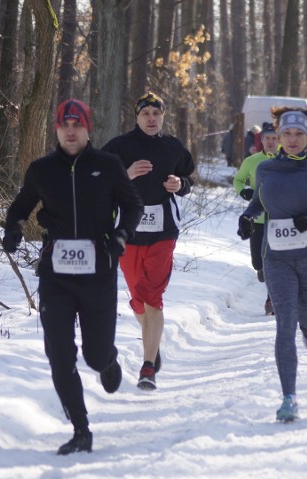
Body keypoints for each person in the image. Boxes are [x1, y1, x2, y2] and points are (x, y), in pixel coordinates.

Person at [2, 99, 143, 455]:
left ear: (87, 129)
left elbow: (133, 205)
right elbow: (20, 208)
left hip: (99, 271)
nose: (70, 131)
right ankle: (81, 429)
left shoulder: (108, 166)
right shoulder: (41, 170)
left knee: (94, 356)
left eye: (77, 125)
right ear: (56, 130)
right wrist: (14, 229)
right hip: (56, 275)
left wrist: (122, 236)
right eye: (64, 125)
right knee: (60, 355)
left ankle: (107, 361)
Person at [237, 107, 307, 422]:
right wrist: (246, 217)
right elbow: (259, 200)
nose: (293, 139)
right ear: (278, 137)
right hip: (277, 257)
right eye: (287, 134)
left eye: (299, 133)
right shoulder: (267, 170)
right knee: (285, 324)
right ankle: (289, 398)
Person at [101, 92, 195, 391]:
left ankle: (148, 366)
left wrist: (180, 185)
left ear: (163, 116)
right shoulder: (118, 147)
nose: (152, 118)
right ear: (137, 117)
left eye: (157, 113)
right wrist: (124, 175)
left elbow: (188, 180)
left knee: (151, 296)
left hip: (163, 233)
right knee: (138, 298)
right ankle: (152, 347)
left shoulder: (173, 147)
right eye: (146, 114)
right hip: (128, 233)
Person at [233, 122, 279, 315]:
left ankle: (272, 299)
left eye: (274, 138)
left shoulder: (286, 160)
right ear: (261, 140)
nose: (270, 142)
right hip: (257, 220)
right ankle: (262, 271)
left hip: (278, 219)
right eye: (267, 138)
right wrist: (243, 191)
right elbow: (238, 179)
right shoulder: (252, 161)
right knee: (258, 262)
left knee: (274, 261)